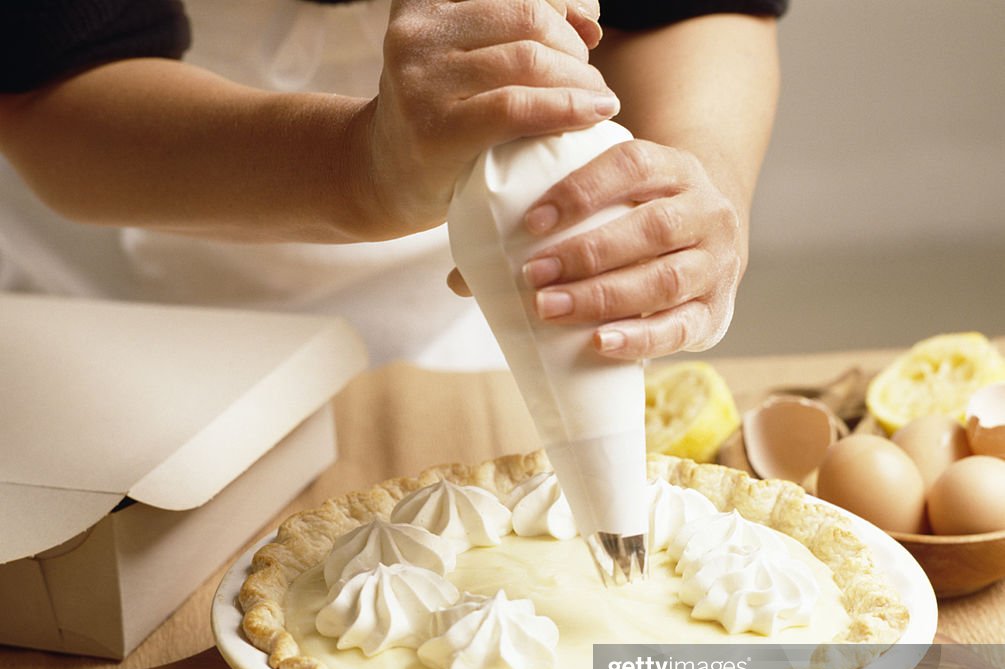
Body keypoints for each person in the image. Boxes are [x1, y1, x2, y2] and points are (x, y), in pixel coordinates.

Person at [0, 0, 785, 369]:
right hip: (101, 328)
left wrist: (693, 179)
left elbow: (697, 9)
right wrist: (359, 169)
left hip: (469, 334)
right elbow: (50, 87)